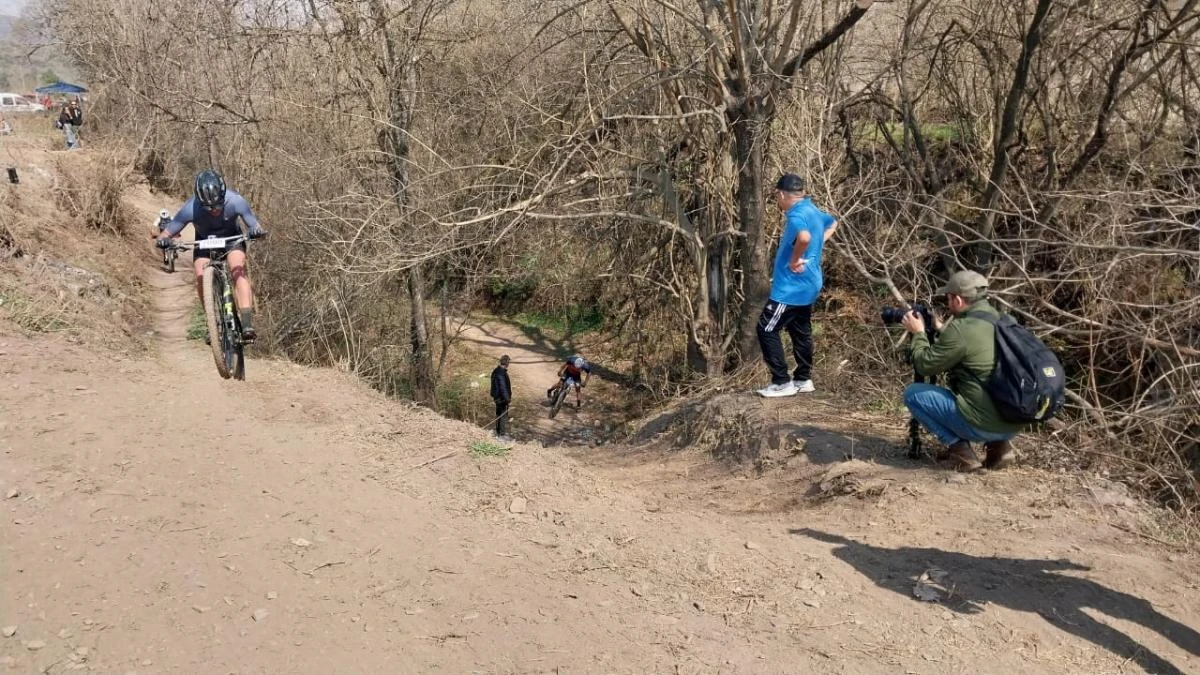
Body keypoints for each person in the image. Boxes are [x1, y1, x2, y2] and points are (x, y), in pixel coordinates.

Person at [900, 270, 1024, 471]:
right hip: (1014, 420)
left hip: (982, 424)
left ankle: (961, 453)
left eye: (948, 298)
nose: (947, 304)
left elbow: (924, 364)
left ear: (957, 300)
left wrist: (919, 334)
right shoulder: (1005, 321)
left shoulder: (961, 329)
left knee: (913, 394)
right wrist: (941, 329)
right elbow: (974, 348)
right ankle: (1001, 447)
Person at [156, 169, 266, 341]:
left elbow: (253, 223)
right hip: (204, 242)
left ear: (223, 196)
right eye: (209, 208)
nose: (214, 210)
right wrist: (163, 240)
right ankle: (212, 323)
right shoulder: (189, 209)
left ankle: (246, 324)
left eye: (218, 205)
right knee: (200, 275)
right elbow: (168, 232)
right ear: (200, 203)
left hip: (231, 239)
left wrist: (256, 230)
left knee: (238, 271)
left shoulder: (236, 201)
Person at [756, 173, 839, 397]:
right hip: (810, 284)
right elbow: (833, 223)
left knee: (766, 328)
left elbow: (803, 237)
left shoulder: (796, 215)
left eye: (776, 196)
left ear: (782, 194)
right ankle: (803, 379)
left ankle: (782, 382)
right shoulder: (812, 210)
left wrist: (795, 259)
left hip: (791, 287)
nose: (777, 201)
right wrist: (816, 248)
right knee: (800, 330)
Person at [490, 355, 513, 442]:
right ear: (507, 363)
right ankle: (501, 435)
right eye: (508, 362)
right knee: (503, 415)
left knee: (498, 414)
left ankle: (498, 433)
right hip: (501, 398)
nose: (508, 364)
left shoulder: (496, 370)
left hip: (497, 397)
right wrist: (507, 398)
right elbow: (503, 387)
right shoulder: (501, 373)